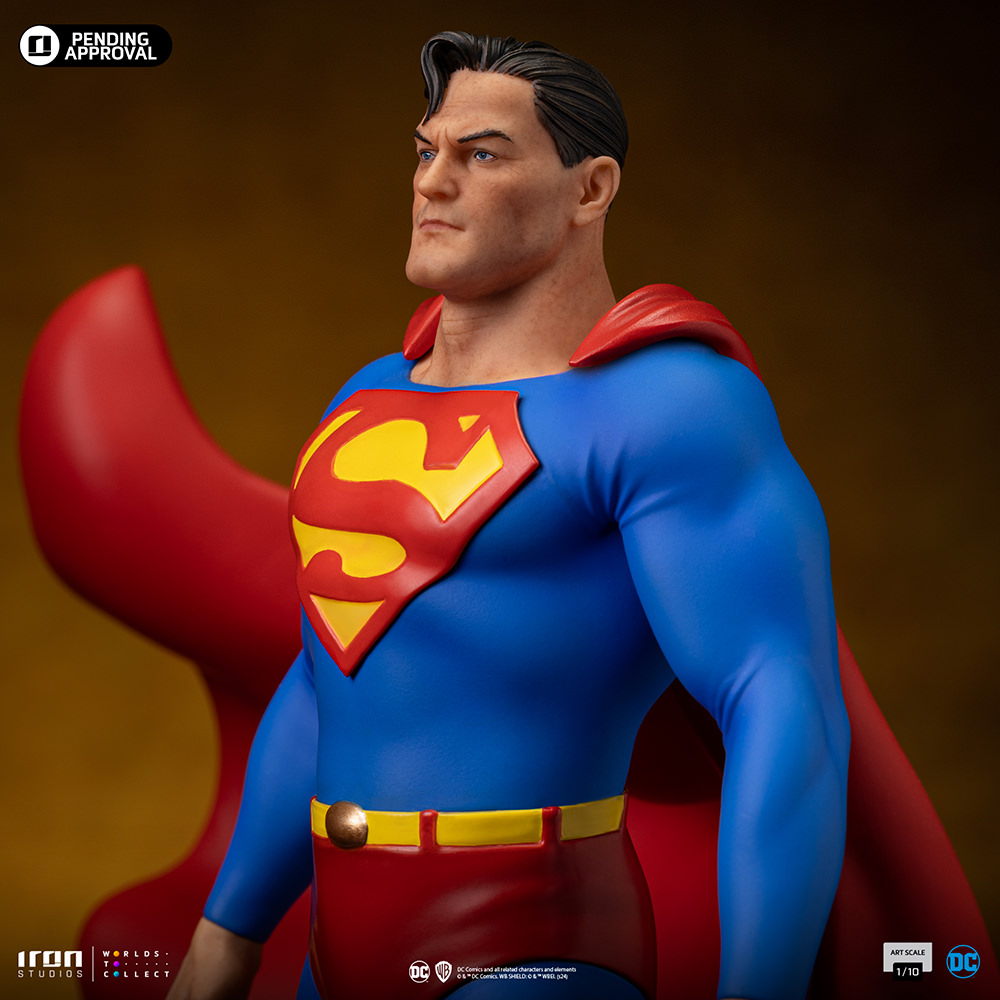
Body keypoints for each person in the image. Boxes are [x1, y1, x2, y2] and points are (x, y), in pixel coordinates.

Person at [169, 30, 852, 1000]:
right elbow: (328, 677)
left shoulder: (663, 406)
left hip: (532, 937)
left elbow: (778, 702)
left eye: (481, 154)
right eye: (425, 150)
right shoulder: (366, 397)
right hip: (338, 939)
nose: (431, 182)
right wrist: (227, 933)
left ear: (590, 188)